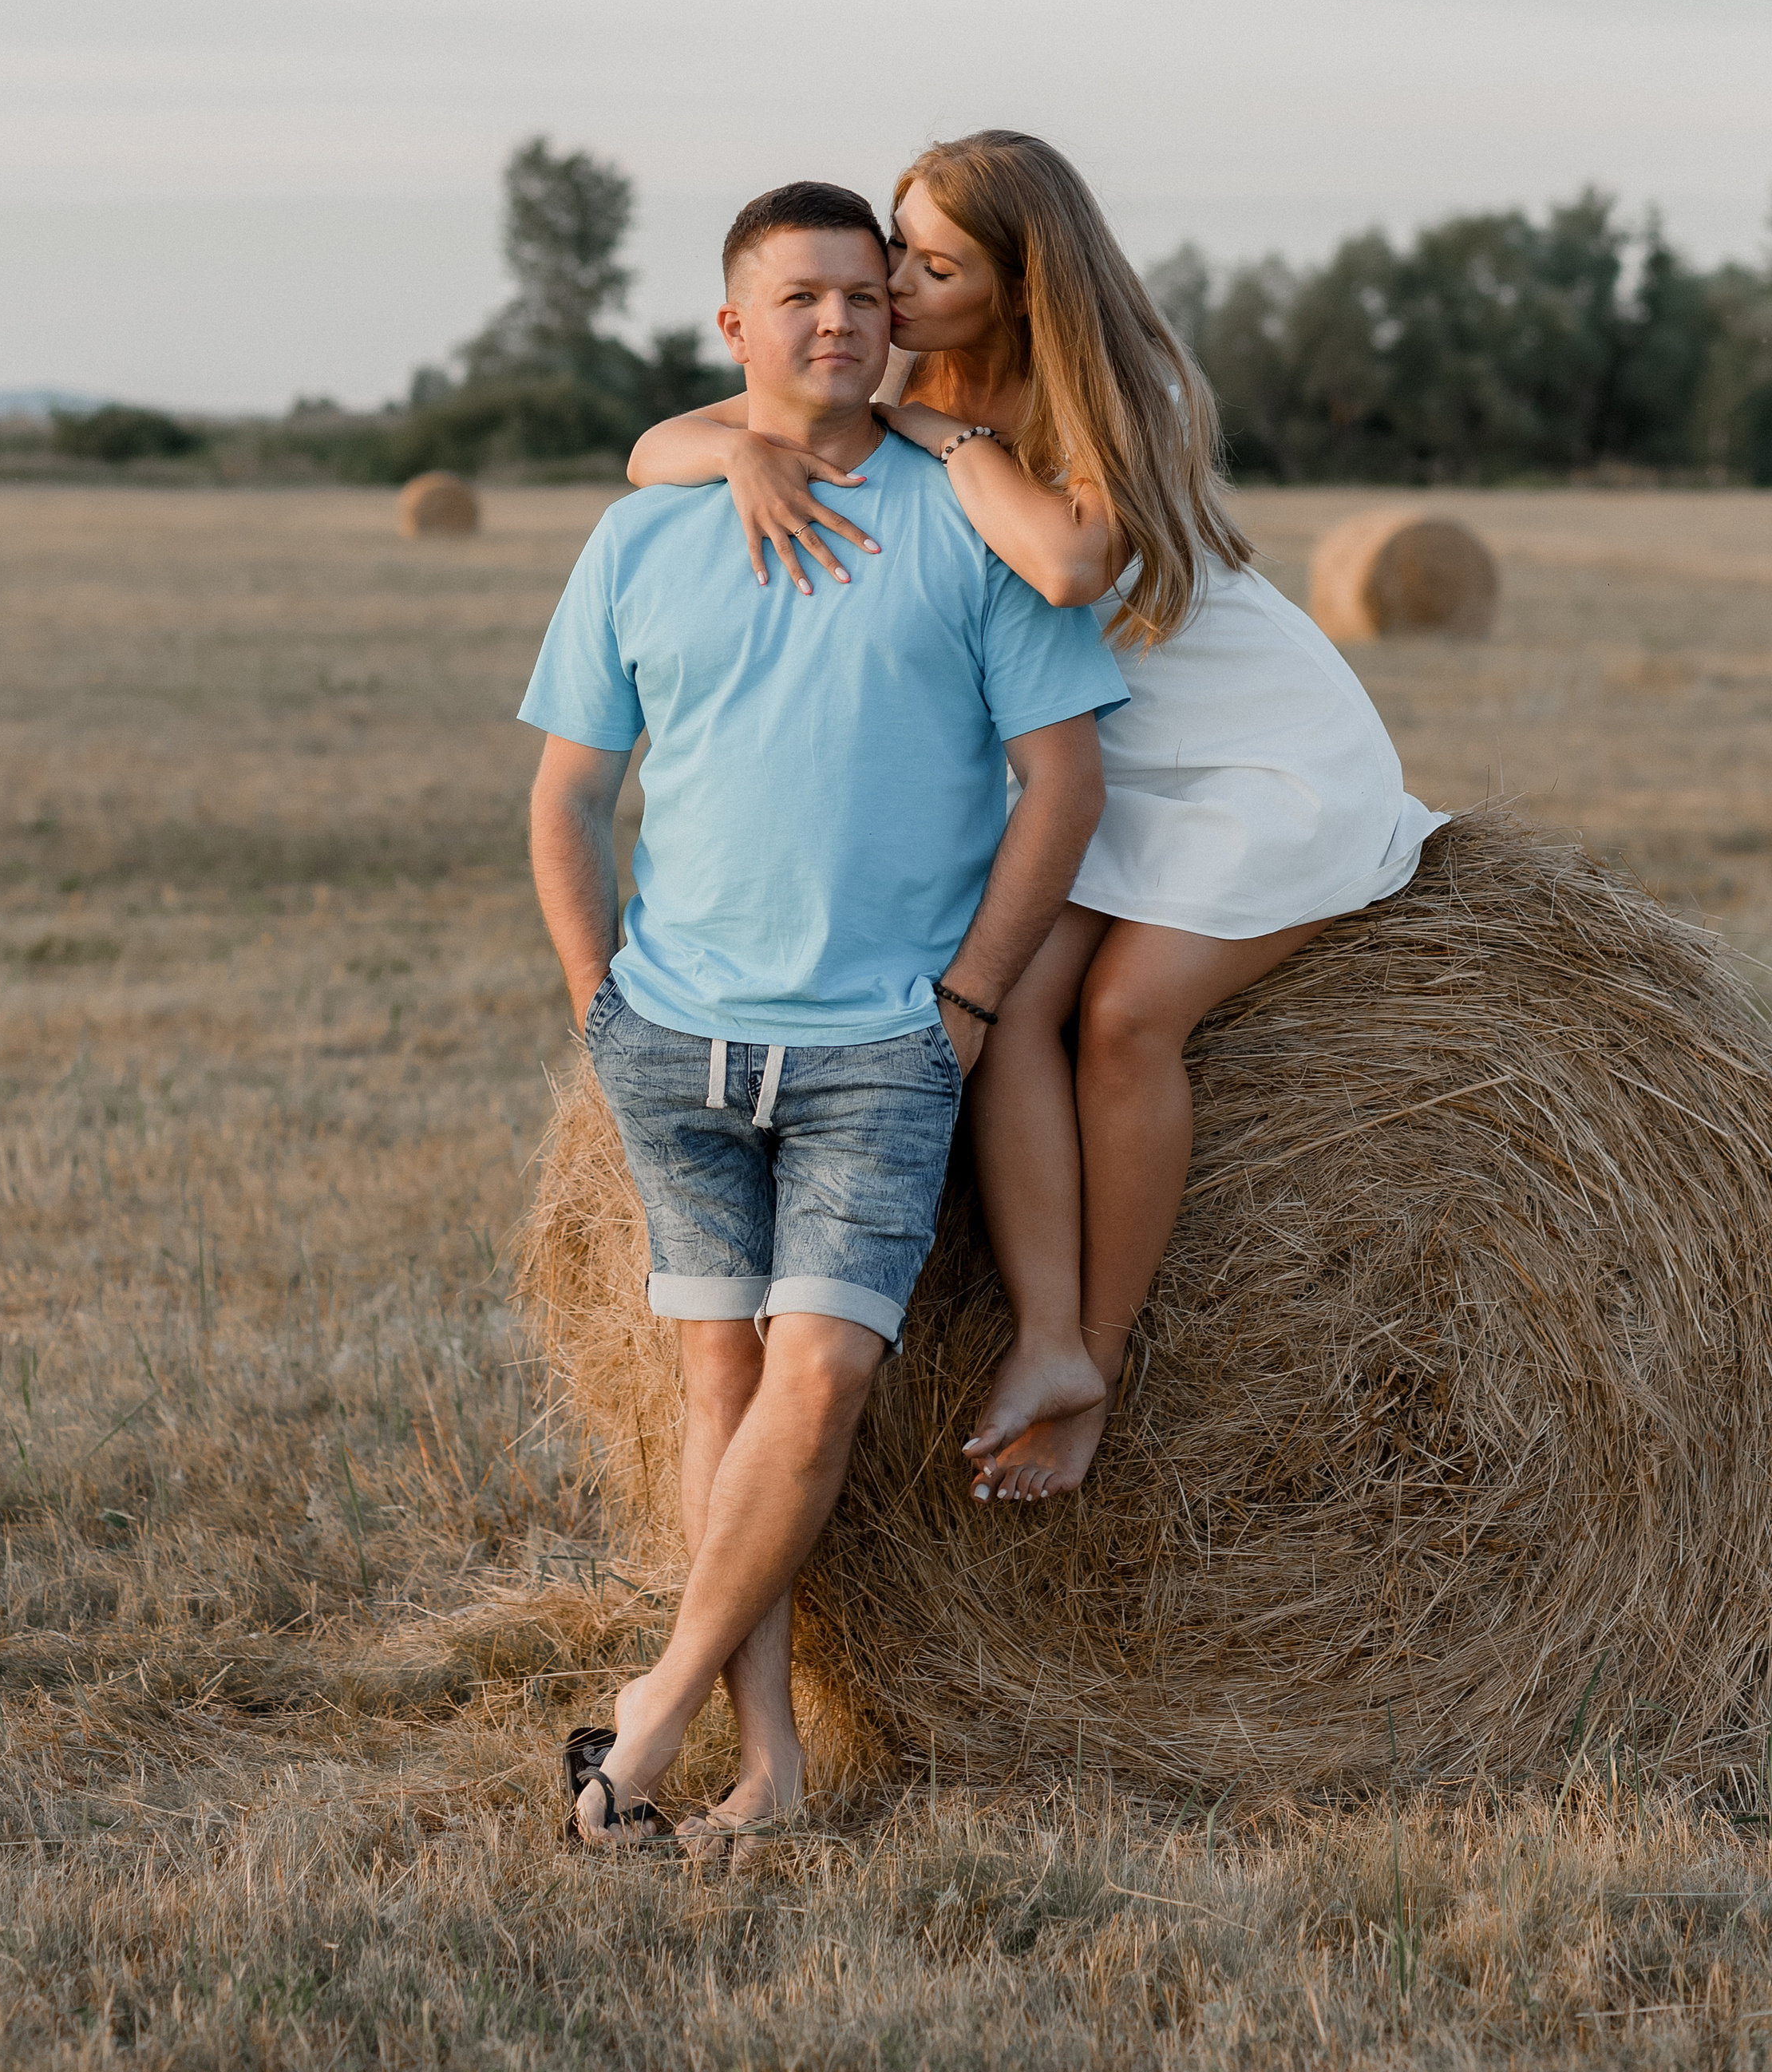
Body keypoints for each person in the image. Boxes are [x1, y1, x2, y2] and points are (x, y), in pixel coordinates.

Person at [629, 129, 1446, 1508]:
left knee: (1124, 1020)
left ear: (1020, 285)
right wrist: (745, 459)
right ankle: (1043, 1338)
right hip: (1096, 767)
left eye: (931, 264)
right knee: (996, 1011)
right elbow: (658, 447)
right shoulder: (895, 354)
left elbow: (1070, 565)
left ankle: (1098, 1357)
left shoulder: (1139, 388)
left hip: (1249, 762)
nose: (890, 281)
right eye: (897, 242)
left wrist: (943, 435)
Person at [522, 177, 1128, 1848]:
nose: (841, 320)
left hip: (880, 1044)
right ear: (735, 330)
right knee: (720, 1397)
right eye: (800, 298)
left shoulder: (966, 523)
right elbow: (568, 795)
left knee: (822, 1381)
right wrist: (597, 1005)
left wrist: (966, 1000)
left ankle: (639, 1727)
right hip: (671, 1038)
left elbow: (1059, 787)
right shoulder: (644, 529)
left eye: (866, 295)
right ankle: (767, 1762)